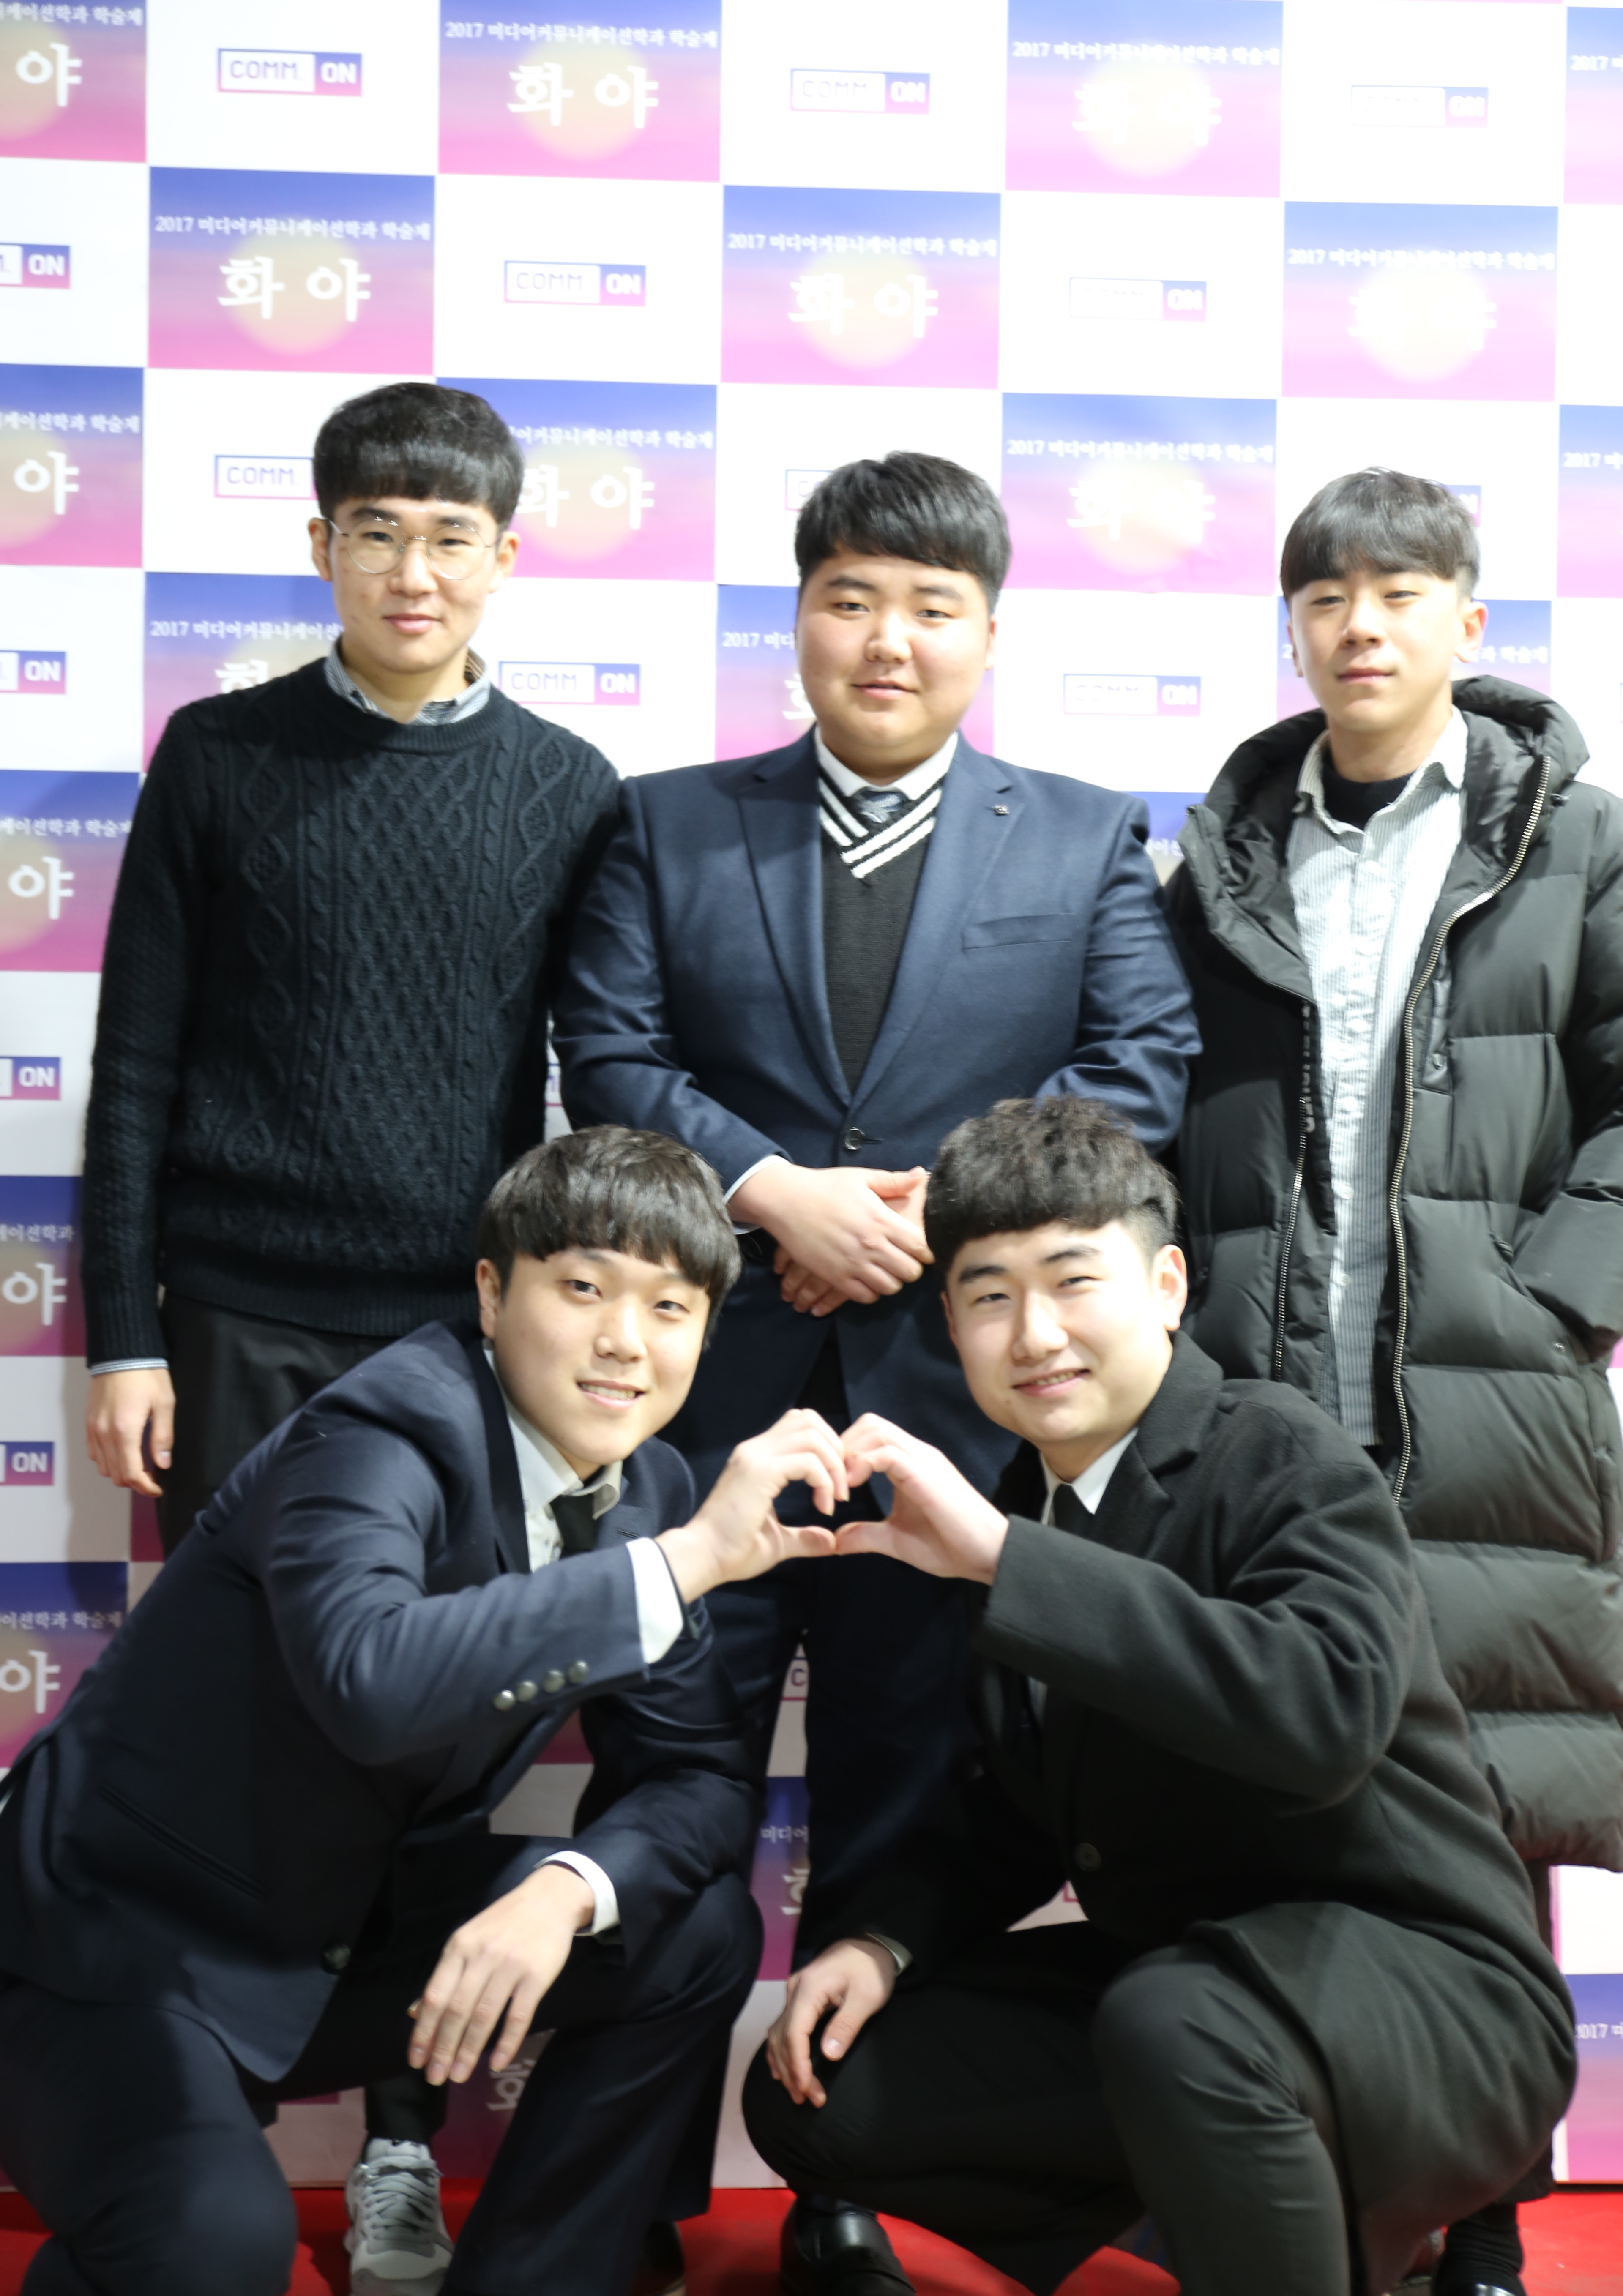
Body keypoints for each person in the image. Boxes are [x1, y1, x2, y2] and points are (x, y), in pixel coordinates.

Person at [554, 453, 1197, 2296]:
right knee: (667, 1771)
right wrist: (774, 1191)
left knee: (908, 1782)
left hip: (954, 1402)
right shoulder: (668, 825)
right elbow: (610, 1049)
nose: (887, 639)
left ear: (988, 632)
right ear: (799, 617)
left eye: (930, 606)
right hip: (703, 1401)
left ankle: (838, 2180)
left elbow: (1138, 1068)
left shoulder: (1082, 837)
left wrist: (931, 1204)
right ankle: (616, 2198)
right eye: (851, 598)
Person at [77, 379, 621, 2274]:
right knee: (240, 1725)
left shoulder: (567, 786)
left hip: (455, 1341)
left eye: (450, 537)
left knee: (434, 1737)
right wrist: (124, 1336)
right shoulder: (219, 755)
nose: (412, 569)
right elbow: (134, 1066)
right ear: (319, 545)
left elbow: (590, 1078)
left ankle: (399, 2135)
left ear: (506, 557)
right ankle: (189, 2114)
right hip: (236, 1316)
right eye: (375, 531)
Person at [0, 1126, 856, 2296]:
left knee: (693, 1928)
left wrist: (566, 1892)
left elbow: (700, 1777)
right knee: (211, 2247)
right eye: (585, 1288)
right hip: (113, 1945)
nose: (624, 1341)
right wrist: (687, 1563)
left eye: (670, 1308)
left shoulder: (650, 1487)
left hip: (335, 1935)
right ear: (493, 1294)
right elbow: (370, 1681)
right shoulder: (381, 1428)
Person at [743, 1096, 1576, 2296]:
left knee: (1176, 2027)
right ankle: (1258, 2209)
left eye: (1074, 1281)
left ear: (1170, 1286)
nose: (1036, 1334)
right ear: (952, 1325)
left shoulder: (1279, 1451)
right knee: (820, 2092)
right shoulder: (1015, 1500)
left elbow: (1323, 1718)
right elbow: (1017, 1807)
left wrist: (1008, 1564)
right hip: (1192, 1992)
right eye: (990, 1296)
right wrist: (882, 1941)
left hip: (1431, 1994)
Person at [1163, 467, 1623, 2293]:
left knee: (1481, 1814)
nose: (1362, 626)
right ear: (1293, 626)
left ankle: (1486, 2214)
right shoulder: (1224, 853)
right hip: (1265, 1400)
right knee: (1271, 1794)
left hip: (1483, 1403)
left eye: (1402, 592)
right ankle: (1310, 2196)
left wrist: (1549, 1298)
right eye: (1328, 596)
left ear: (1469, 621)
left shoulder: (1576, 841)